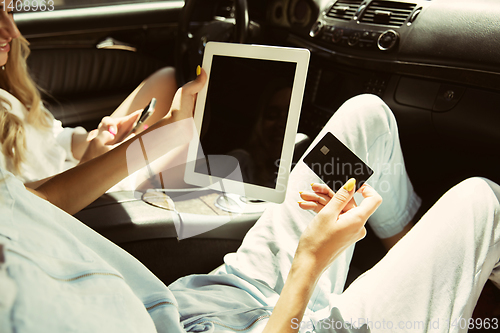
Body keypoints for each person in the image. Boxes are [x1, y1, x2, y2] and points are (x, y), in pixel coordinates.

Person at [1, 65, 499, 332]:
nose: (8, 23)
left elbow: (41, 201)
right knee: (481, 205)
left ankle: (425, 276)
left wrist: (167, 134)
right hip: (279, 321)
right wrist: (310, 262)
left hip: (207, 300)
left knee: (362, 118)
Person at [0, 7, 178, 187]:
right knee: (186, 147)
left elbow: (49, 139)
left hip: (71, 173)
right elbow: (19, 203)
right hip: (70, 197)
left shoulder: (8, 89)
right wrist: (89, 166)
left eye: (10, 12)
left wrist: (95, 139)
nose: (13, 31)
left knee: (167, 79)